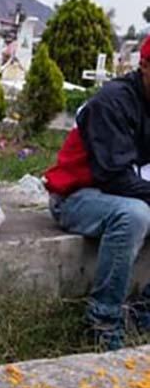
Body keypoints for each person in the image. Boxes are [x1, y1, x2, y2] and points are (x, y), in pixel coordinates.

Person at [45, 37, 150, 350]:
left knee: (136, 211)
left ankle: (144, 313)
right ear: (144, 67)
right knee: (134, 216)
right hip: (77, 196)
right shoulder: (113, 101)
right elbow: (114, 177)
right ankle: (103, 322)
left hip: (123, 192)